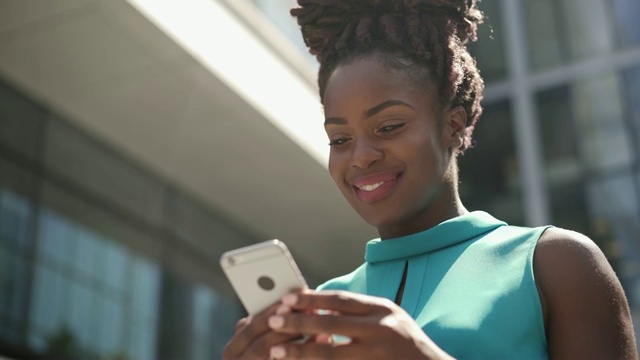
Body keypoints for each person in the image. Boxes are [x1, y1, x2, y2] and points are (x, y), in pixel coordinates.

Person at [223, 0, 638, 358]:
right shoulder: (324, 306)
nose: (361, 156)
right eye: (340, 138)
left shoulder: (554, 263)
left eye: (389, 126)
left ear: (453, 126)